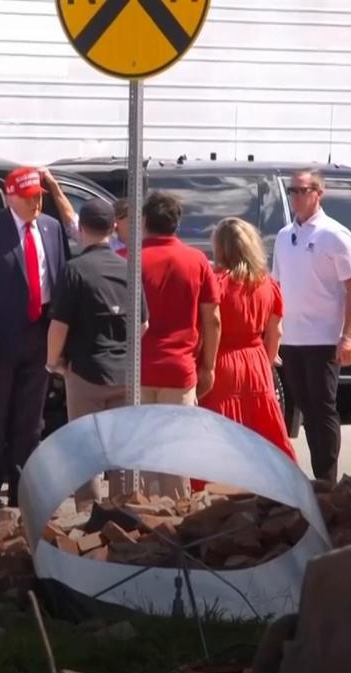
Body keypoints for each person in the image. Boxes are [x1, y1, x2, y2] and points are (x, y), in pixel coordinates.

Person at [0, 167, 69, 508]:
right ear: (11, 197)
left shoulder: (51, 229)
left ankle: (23, 485)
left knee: (30, 417)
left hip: (39, 333)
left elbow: (58, 279)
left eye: (39, 196)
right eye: (29, 198)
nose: (37, 203)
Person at [46, 200, 146, 512]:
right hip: (125, 375)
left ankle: (88, 518)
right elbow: (143, 323)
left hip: (86, 373)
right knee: (121, 450)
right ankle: (123, 514)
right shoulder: (129, 267)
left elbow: (59, 326)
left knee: (85, 449)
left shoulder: (74, 270)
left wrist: (54, 363)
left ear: (82, 229)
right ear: (114, 227)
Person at [273, 169, 351, 485]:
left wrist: (348, 335)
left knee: (323, 407)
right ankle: (315, 478)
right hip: (293, 339)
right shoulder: (285, 236)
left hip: (324, 337)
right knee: (305, 409)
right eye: (292, 191)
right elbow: (277, 287)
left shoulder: (334, 234)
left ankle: (327, 478)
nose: (296, 197)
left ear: (318, 193)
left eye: (302, 190)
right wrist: (274, 332)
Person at [197, 217, 296, 482]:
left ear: (220, 248)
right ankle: (280, 485)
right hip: (256, 361)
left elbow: (208, 325)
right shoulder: (267, 284)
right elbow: (276, 331)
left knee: (218, 430)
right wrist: (266, 360)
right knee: (265, 427)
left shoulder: (215, 283)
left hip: (221, 360)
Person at [137, 191, 221, 499]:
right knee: (176, 453)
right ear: (177, 223)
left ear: (144, 221)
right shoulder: (197, 260)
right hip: (180, 368)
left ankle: (138, 524)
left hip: (137, 368)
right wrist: (209, 366)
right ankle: (177, 525)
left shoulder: (128, 260)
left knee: (140, 453)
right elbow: (212, 318)